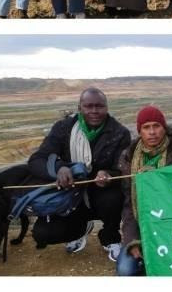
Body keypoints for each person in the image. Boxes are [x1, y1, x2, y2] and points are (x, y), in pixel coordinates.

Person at [27, 88, 133, 256]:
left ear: (106, 107)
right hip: (69, 193)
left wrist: (108, 175)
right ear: (79, 107)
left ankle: (110, 237)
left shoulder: (120, 133)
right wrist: (59, 168)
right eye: (88, 106)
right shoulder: (63, 128)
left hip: (102, 193)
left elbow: (123, 168)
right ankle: (80, 229)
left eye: (99, 106)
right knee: (43, 234)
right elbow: (37, 159)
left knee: (114, 198)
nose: (94, 111)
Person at [114, 105, 172, 275]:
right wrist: (133, 241)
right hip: (142, 229)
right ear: (139, 131)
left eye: (156, 126)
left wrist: (159, 180)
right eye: (146, 127)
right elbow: (129, 205)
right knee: (125, 270)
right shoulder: (129, 157)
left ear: (164, 128)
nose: (152, 132)